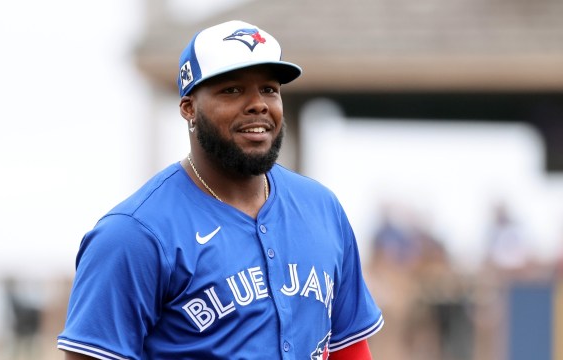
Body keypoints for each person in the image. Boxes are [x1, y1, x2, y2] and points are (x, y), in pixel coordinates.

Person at [57, 20, 383, 360]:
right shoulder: (134, 233)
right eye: (232, 90)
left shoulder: (322, 208)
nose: (258, 104)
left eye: (269, 89)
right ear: (188, 108)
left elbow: (349, 347)